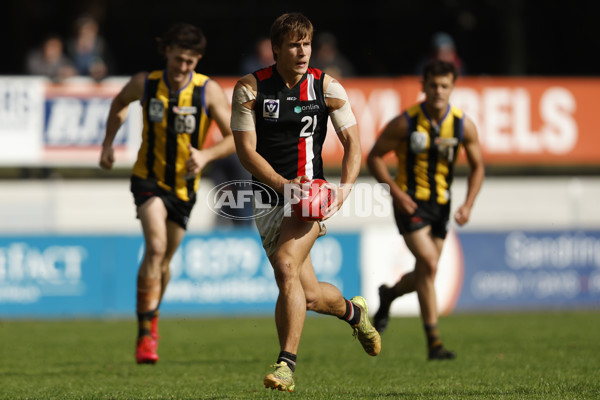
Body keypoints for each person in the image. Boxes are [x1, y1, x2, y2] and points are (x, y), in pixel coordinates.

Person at [231, 12, 380, 392]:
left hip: (307, 200)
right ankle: (354, 312)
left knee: (285, 266)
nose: (302, 51)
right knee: (308, 294)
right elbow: (246, 153)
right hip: (268, 197)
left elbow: (354, 145)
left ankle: (286, 366)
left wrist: (342, 191)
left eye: (307, 43)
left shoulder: (328, 87)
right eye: (294, 44)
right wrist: (284, 186)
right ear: (276, 48)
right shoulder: (249, 89)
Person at [99, 22, 235, 364]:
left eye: (190, 62)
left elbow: (237, 138)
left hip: (184, 189)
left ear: (198, 59)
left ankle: (152, 318)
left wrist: (205, 155)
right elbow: (118, 103)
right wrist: (107, 145)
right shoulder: (145, 83)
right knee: (155, 246)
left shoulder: (208, 91)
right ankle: (145, 336)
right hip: (148, 180)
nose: (183, 68)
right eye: (178, 60)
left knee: (163, 262)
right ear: (167, 53)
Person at [367, 60, 484, 360]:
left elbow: (477, 167)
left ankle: (389, 294)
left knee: (425, 271)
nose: (438, 91)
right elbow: (375, 157)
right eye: (433, 85)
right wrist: (395, 193)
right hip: (410, 202)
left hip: (441, 207)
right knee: (430, 264)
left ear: (452, 88)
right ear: (423, 86)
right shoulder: (405, 122)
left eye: (444, 86)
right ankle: (434, 343)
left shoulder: (461, 124)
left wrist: (468, 204)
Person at [67, 15, 114, 81]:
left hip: (96, 82)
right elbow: (66, 63)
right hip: (76, 82)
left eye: (90, 30)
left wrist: (103, 69)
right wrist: (68, 70)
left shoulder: (101, 45)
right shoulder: (71, 45)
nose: (87, 34)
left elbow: (111, 66)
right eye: (84, 31)